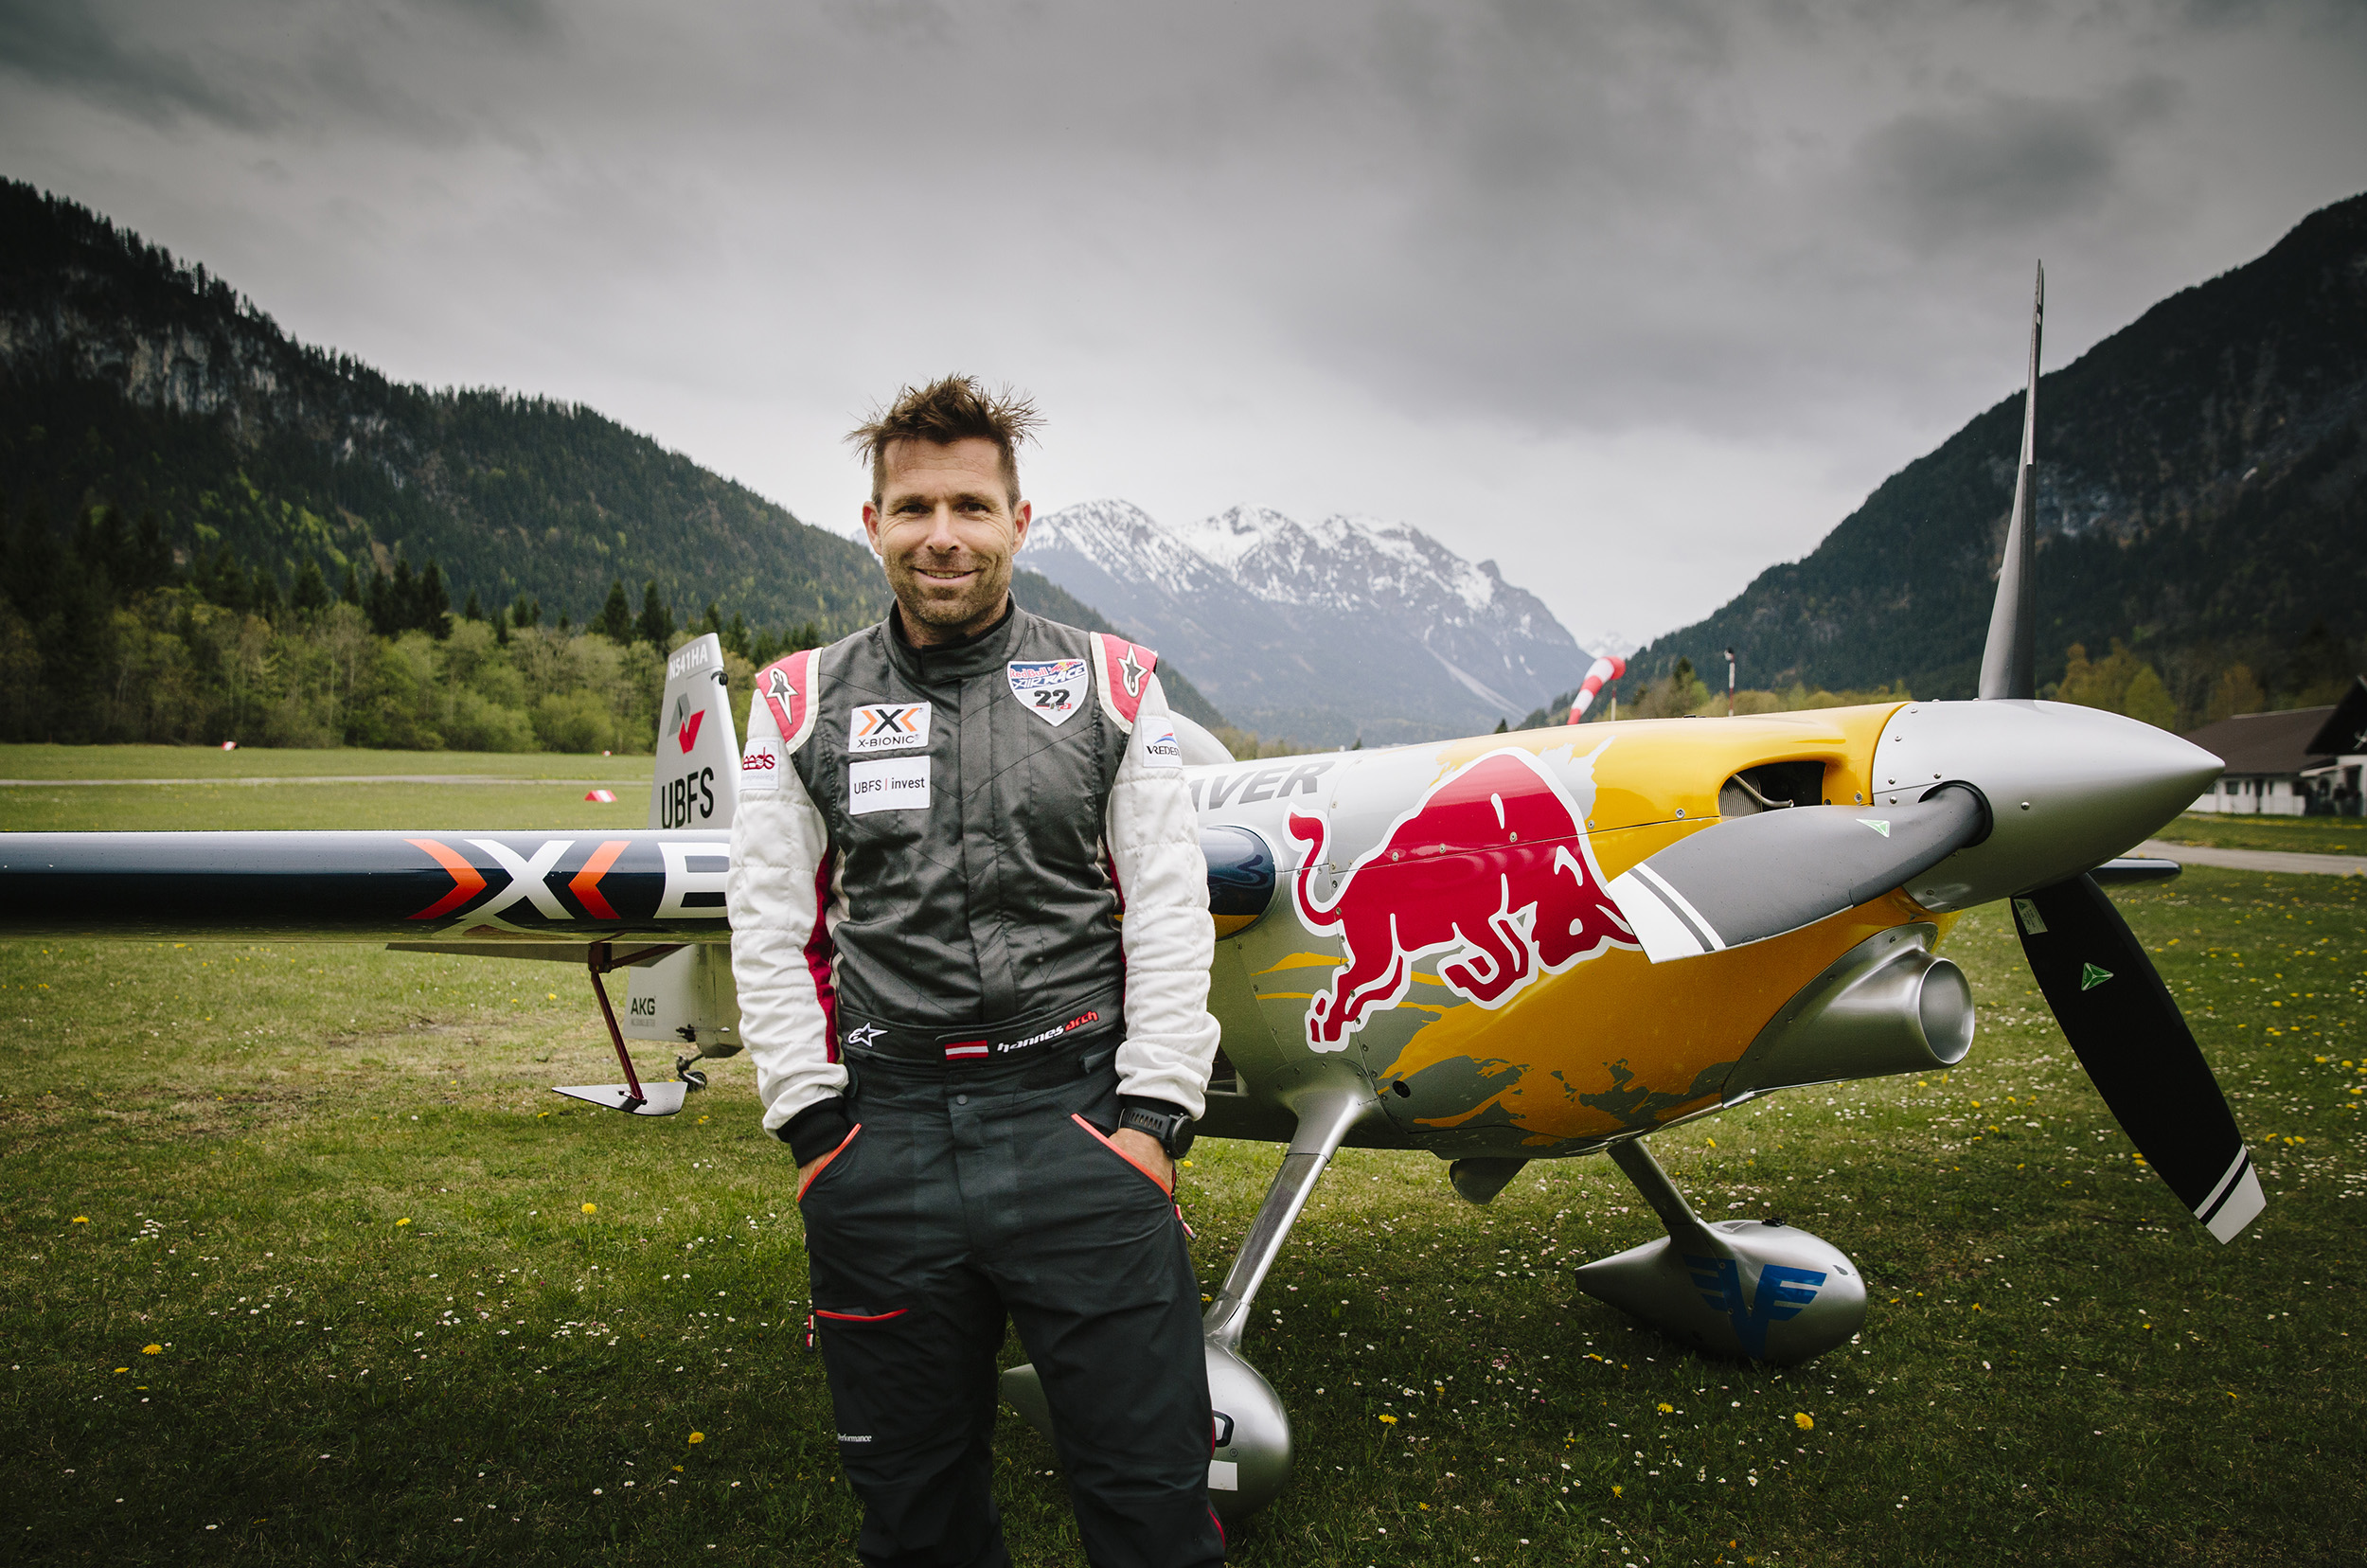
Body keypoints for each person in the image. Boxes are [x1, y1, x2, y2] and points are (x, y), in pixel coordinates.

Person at [727, 375, 1226, 1568]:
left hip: (1080, 1130)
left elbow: (1167, 907)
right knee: (915, 1520)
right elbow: (767, 923)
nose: (939, 535)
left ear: (1018, 520)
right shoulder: (797, 701)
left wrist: (1153, 1119)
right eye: (912, 509)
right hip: (883, 1143)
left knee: (1154, 1504)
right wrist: (814, 1130)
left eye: (967, 505)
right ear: (872, 525)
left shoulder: (1114, 685)